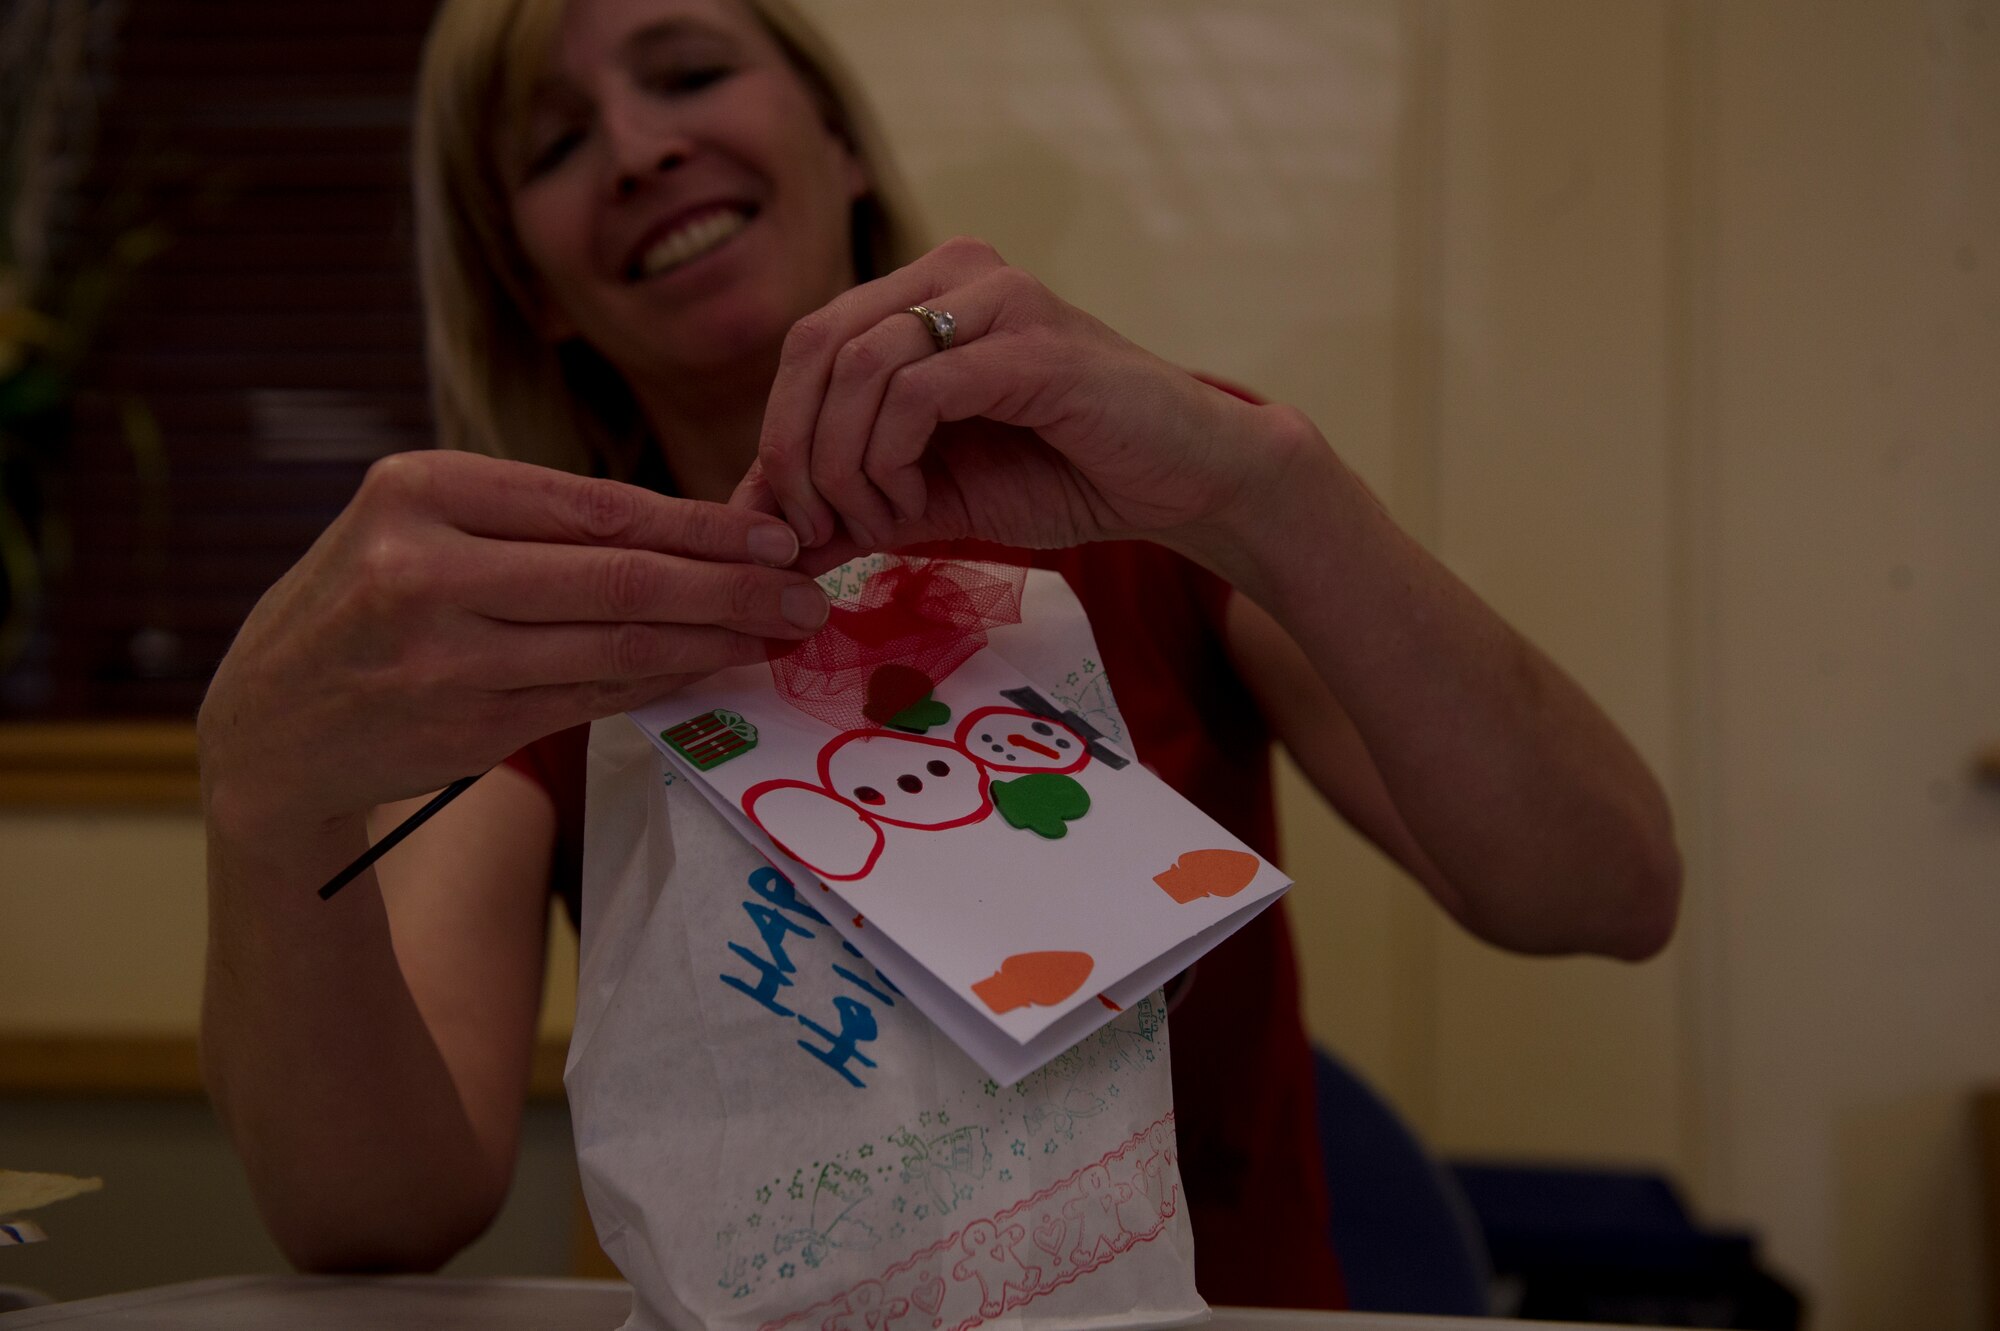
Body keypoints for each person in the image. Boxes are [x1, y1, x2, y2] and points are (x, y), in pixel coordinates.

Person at [195, 0, 1681, 1306]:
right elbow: (375, 1218)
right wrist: (267, 808)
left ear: (838, 139)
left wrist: (1268, 487)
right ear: (527, 284)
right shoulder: (539, 638)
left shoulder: (1154, 499)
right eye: (552, 144)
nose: (641, 149)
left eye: (689, 70)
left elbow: (1605, 890)